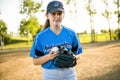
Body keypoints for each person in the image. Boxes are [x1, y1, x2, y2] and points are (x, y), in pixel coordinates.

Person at [30, 1, 82, 80]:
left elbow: (78, 54)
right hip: (50, 76)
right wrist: (49, 57)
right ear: (47, 15)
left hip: (70, 74)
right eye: (53, 13)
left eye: (59, 13)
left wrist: (74, 57)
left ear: (63, 15)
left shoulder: (71, 33)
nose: (57, 16)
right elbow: (35, 61)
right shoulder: (40, 37)